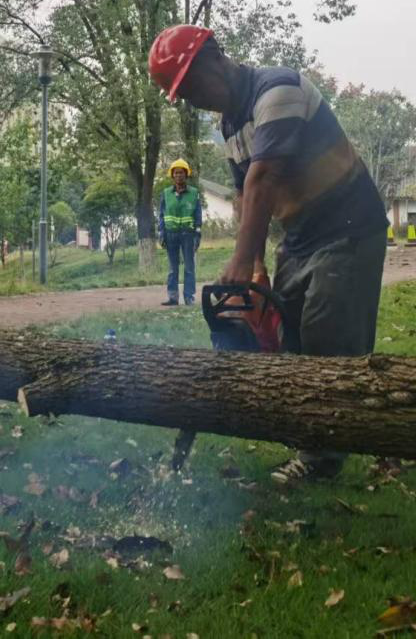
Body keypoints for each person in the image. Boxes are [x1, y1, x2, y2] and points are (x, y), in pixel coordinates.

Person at [148, 25, 388, 485]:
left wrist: (239, 262)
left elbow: (265, 179)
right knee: (290, 338)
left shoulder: (278, 89)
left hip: (348, 227)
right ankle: (313, 436)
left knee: (328, 336)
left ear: (214, 57)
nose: (194, 99)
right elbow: (244, 195)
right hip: (298, 237)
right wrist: (255, 265)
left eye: (192, 85)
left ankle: (324, 458)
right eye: (183, 94)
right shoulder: (230, 124)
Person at [158, 158, 202, 306]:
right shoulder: (165, 194)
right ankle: (173, 297)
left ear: (186, 175)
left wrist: (198, 234)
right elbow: (161, 215)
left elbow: (198, 216)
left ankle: (189, 297)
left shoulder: (194, 193)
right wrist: (161, 233)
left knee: (189, 267)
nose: (178, 176)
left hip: (188, 235)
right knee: (172, 268)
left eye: (181, 173)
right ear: (172, 176)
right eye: (176, 173)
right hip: (171, 235)